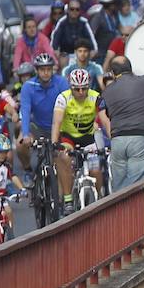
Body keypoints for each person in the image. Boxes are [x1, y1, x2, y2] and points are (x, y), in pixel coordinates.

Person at [96, 57, 144, 190]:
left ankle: (118, 211)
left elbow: (105, 114)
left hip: (118, 140)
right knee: (136, 188)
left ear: (113, 73)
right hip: (141, 138)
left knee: (119, 187)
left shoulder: (107, 92)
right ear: (130, 68)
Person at [51, 68, 102, 212]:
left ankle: (101, 200)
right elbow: (57, 122)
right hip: (69, 137)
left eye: (84, 89)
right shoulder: (63, 98)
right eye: (77, 89)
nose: (81, 92)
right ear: (71, 87)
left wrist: (113, 137)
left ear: (89, 86)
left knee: (96, 169)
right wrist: (55, 144)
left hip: (88, 138)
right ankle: (67, 199)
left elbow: (105, 119)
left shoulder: (95, 97)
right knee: (64, 158)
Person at [16, 54, 68, 185]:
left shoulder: (61, 82)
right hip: (37, 126)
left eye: (48, 69)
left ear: (52, 70)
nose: (45, 73)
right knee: (20, 144)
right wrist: (26, 134)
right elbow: (26, 111)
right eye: (42, 69)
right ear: (37, 71)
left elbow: (69, 105)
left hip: (59, 127)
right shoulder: (28, 86)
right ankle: (28, 170)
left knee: (60, 158)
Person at [50, 0, 97, 65]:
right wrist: (58, 57)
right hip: (65, 55)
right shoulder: (61, 23)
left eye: (77, 9)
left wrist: (87, 58)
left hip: (81, 55)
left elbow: (94, 47)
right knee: (63, 57)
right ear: (68, 10)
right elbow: (53, 46)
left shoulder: (84, 22)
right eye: (72, 9)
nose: (74, 11)